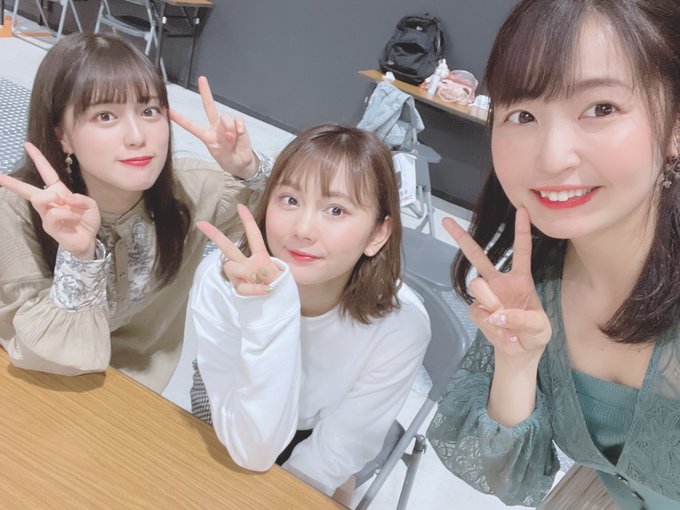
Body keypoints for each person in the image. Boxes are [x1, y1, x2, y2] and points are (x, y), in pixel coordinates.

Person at [426, 0, 680, 509]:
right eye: (522, 115)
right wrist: (517, 363)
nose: (551, 156)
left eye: (600, 108)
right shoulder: (538, 279)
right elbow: (511, 479)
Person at [0, 32, 270, 392]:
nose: (137, 136)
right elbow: (48, 356)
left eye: (149, 111)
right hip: (39, 383)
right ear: (62, 136)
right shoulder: (17, 213)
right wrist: (80, 258)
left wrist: (248, 168)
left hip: (137, 392)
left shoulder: (190, 190)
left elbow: (286, 213)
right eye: (105, 115)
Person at [185, 124, 431, 497]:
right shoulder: (221, 281)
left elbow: (337, 448)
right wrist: (269, 311)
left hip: (321, 429)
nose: (302, 229)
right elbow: (252, 447)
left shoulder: (401, 326)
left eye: (336, 210)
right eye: (290, 200)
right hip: (234, 407)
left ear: (378, 234)